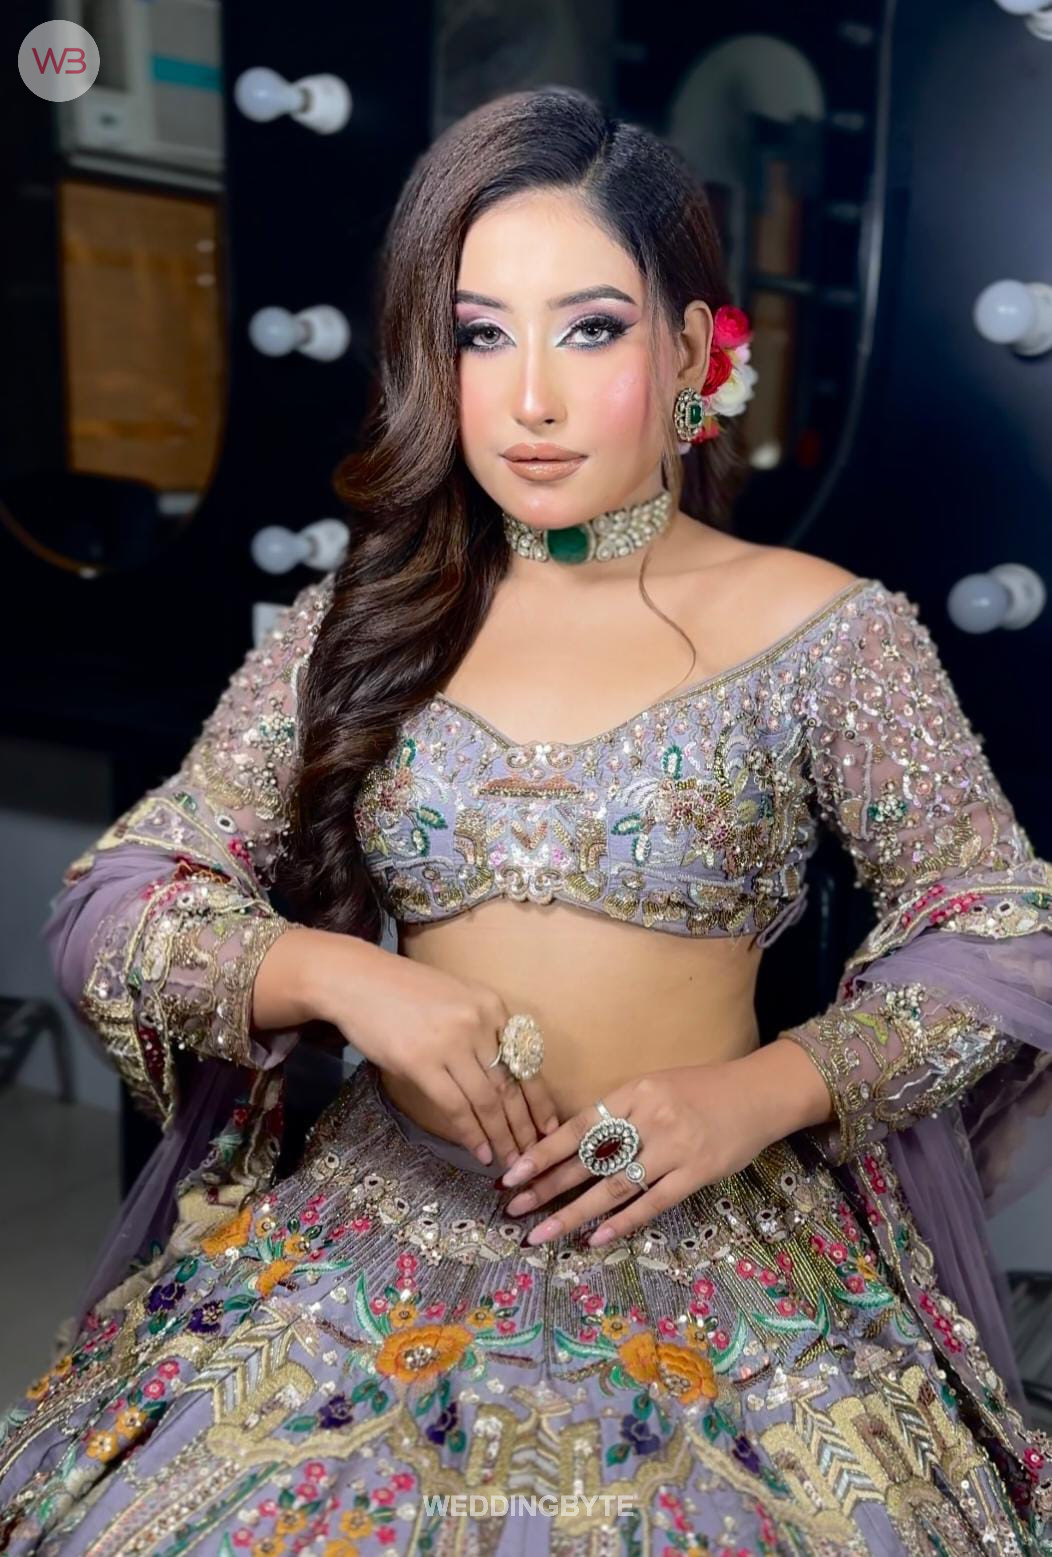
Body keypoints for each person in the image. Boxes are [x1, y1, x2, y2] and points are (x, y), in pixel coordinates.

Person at [2, 86, 1051, 1557]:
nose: (530, 400)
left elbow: (1004, 930)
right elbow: (118, 900)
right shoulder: (366, 621)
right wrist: (337, 973)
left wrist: (765, 1092)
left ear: (693, 350)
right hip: (372, 1243)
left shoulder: (828, 632)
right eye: (480, 335)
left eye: (592, 328)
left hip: (717, 1262)